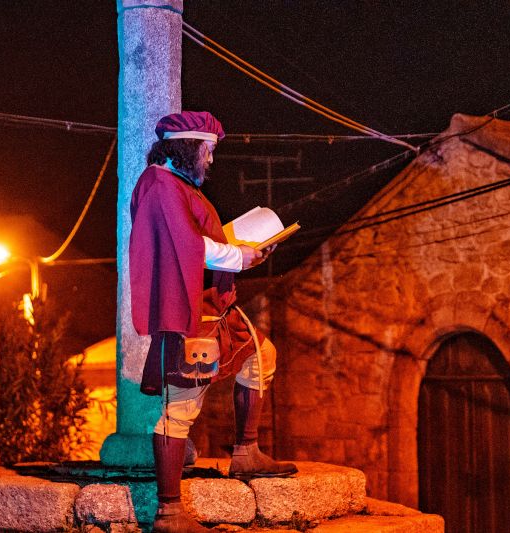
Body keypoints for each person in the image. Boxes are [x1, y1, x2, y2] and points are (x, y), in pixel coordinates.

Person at [129, 111, 297, 533]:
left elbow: (198, 240)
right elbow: (187, 246)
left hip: (213, 305)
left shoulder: (176, 185)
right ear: (188, 148)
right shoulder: (160, 185)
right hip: (190, 312)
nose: (210, 159)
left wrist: (244, 252)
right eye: (207, 150)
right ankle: (169, 513)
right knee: (180, 409)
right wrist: (241, 255)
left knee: (261, 356)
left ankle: (246, 453)